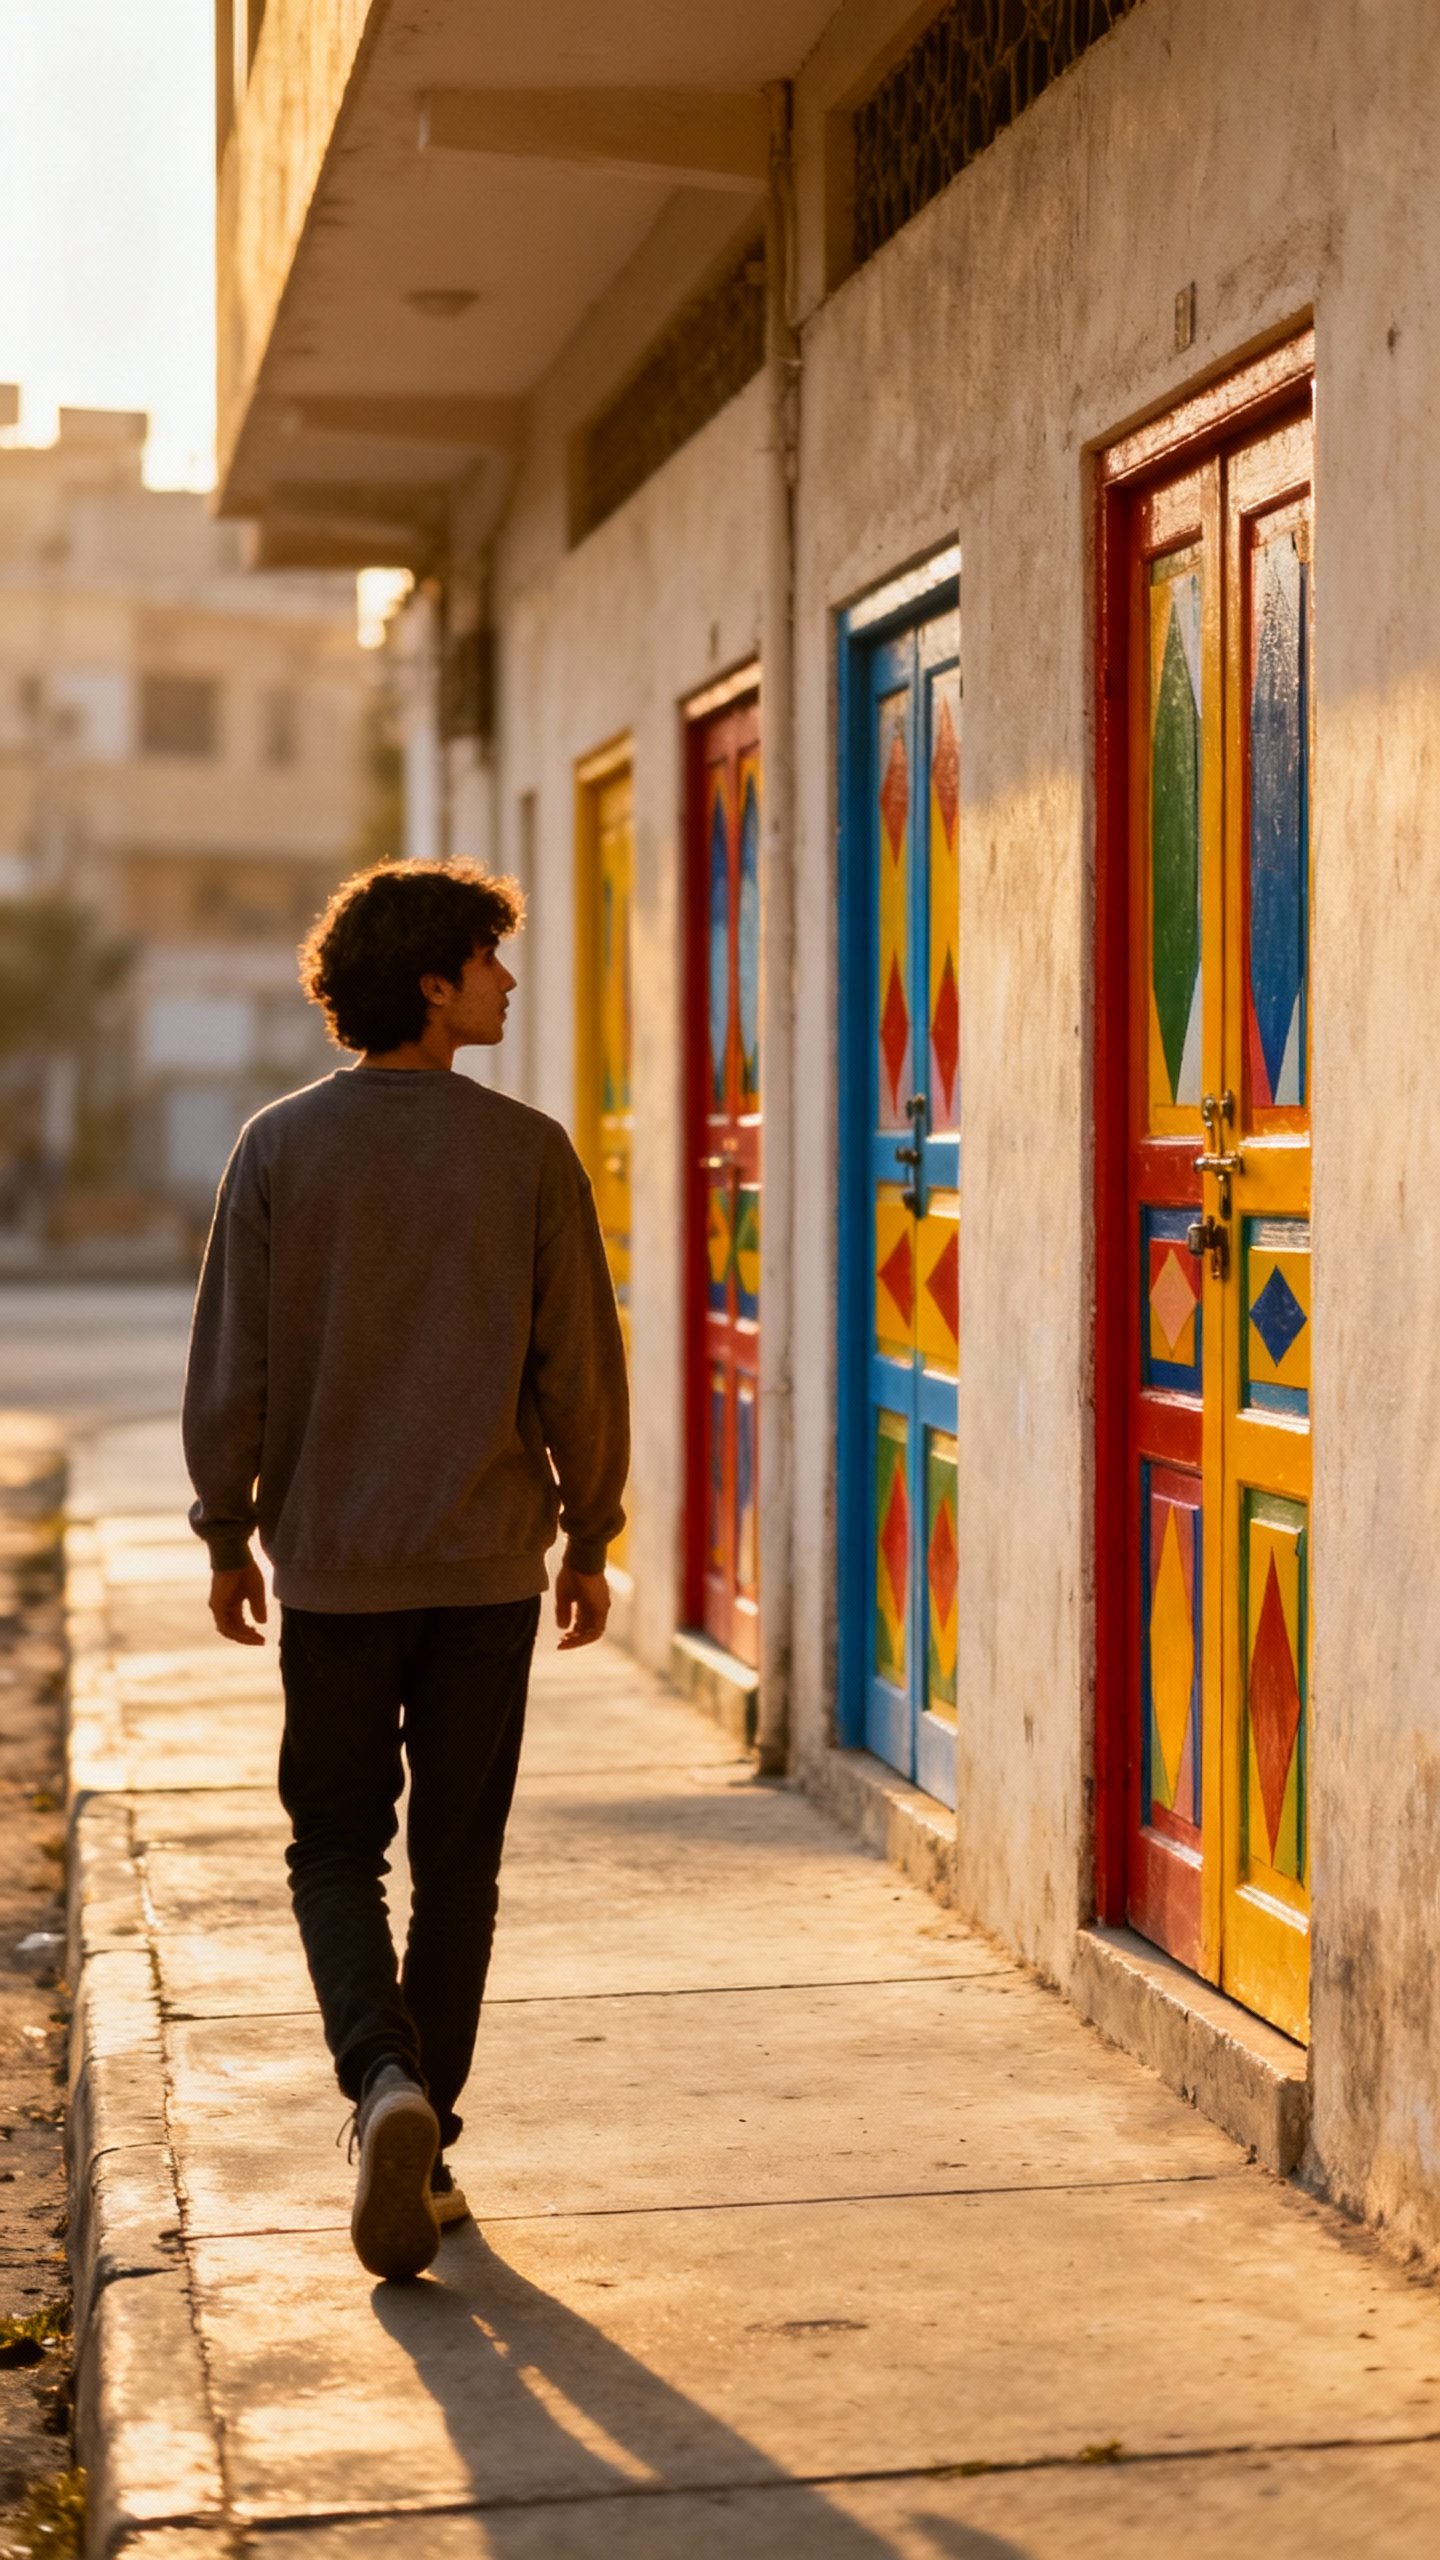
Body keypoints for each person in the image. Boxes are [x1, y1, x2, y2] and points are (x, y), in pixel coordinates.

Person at [181, 860, 629, 2281]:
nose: (506, 982)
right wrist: (593, 1531)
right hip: (487, 1569)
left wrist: (225, 1526)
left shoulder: (276, 1152)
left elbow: (232, 1369)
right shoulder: (528, 1152)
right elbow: (581, 1374)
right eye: (490, 961)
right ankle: (428, 2134)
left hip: (335, 1570)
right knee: (459, 1868)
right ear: (433, 985)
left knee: (331, 1850)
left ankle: (383, 2086)